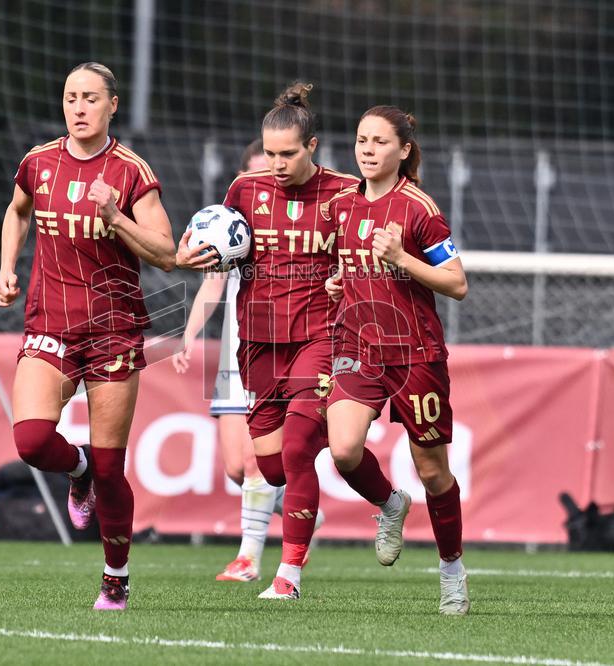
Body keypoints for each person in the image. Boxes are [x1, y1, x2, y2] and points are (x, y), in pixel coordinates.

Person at [0, 62, 175, 611]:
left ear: (112, 105)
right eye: (70, 97)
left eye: (90, 98)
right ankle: (78, 469)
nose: (78, 107)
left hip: (114, 332)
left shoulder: (130, 172)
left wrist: (116, 217)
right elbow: (16, 211)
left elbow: (166, 253)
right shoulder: (38, 162)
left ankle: (115, 576)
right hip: (50, 322)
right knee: (30, 442)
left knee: (114, 468)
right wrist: (7, 268)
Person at [177, 83, 358, 600]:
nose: (276, 164)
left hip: (320, 335)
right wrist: (196, 254)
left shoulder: (345, 194)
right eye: (270, 153)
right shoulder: (243, 190)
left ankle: (288, 575)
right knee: (268, 464)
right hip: (258, 339)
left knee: (297, 451)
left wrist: (345, 279)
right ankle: (342, 479)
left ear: (313, 146)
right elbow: (223, 257)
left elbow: (360, 256)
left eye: (287, 153)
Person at [323, 106, 470, 615]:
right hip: (356, 348)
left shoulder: (420, 209)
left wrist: (403, 260)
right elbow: (345, 269)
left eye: (379, 142)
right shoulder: (342, 206)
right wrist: (335, 283)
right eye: (361, 139)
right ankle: (389, 503)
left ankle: (451, 570)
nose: (366, 149)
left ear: (403, 151)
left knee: (433, 473)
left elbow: (457, 283)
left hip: (415, 355)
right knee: (342, 450)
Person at [172, 139, 287, 583]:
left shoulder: (295, 221)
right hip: (233, 352)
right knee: (237, 468)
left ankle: (248, 559)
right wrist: (188, 335)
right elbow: (214, 285)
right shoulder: (233, 224)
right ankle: (298, 503)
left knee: (258, 461)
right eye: (257, 173)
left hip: (276, 349)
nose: (266, 180)